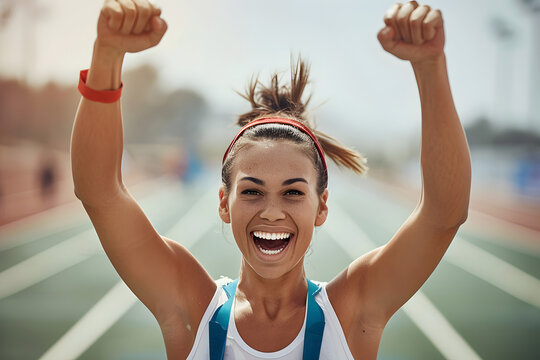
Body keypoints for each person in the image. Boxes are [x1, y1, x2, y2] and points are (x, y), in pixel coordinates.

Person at [71, 1, 471, 359]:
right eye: (252, 191)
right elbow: (100, 192)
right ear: (224, 203)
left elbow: (443, 214)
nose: (272, 212)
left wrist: (430, 65)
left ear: (322, 206)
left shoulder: (352, 313)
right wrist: (107, 55)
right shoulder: (192, 309)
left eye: (294, 192)